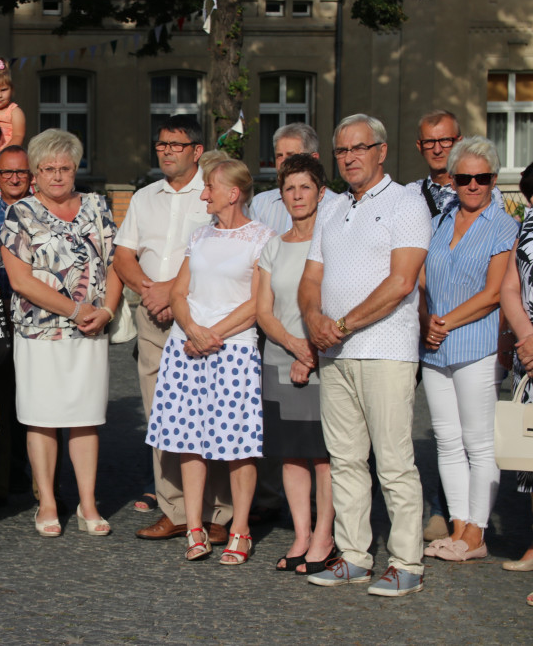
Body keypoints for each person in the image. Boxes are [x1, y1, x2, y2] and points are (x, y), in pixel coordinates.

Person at [301, 114, 431, 597]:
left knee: (394, 461)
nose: (351, 157)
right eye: (342, 150)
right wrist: (314, 319)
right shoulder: (332, 208)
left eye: (360, 148)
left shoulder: (406, 202)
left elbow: (401, 282)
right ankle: (354, 554)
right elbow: (311, 278)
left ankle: (407, 562)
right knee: (346, 459)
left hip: (385, 349)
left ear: (381, 150)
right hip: (335, 353)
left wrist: (342, 324)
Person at [145, 158, 275, 564]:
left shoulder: (262, 239)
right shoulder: (200, 235)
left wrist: (213, 333)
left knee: (238, 445)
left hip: (233, 351)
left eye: (210, 188)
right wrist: (193, 330)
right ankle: (195, 527)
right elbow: (179, 292)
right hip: (187, 349)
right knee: (189, 441)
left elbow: (259, 302)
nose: (203, 194)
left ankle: (239, 530)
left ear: (232, 194)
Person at [0, 129, 121, 538]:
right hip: (40, 332)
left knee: (86, 418)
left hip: (90, 330)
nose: (56, 176)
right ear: (34, 172)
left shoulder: (97, 206)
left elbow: (115, 263)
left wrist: (105, 310)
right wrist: (74, 308)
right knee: (42, 418)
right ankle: (48, 502)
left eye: (64, 168)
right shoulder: (19, 213)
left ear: (75, 169)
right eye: (48, 168)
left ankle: (88, 503)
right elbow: (21, 280)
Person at [113, 114, 216, 539]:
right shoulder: (144, 197)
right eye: (161, 144)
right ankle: (173, 509)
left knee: (208, 414)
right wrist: (148, 290)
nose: (167, 151)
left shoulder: (212, 194)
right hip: (153, 318)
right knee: (162, 416)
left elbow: (222, 249)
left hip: (201, 319)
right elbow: (123, 255)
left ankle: (216, 512)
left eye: (176, 144)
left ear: (196, 150)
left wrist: (172, 291)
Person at [418, 136, 517, 563]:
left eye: (482, 178)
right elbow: (423, 279)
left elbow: (495, 292)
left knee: (478, 442)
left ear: (494, 180)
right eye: (464, 177)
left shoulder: (502, 224)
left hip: (475, 343)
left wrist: (445, 323)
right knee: (446, 440)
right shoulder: (441, 217)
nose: (473, 185)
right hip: (436, 347)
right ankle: (458, 525)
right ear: (453, 179)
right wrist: (428, 322)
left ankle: (477, 531)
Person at [256, 154, 336, 574]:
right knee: (290, 454)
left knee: (323, 454)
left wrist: (311, 352)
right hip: (278, 358)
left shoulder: (333, 240)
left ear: (320, 192)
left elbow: (339, 303)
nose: (297, 196)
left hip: (324, 360)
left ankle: (325, 534)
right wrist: (292, 345)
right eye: (289, 188)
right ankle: (301, 534)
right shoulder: (273, 245)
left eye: (305, 187)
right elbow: (264, 310)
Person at [0, 145, 33, 503]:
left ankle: (38, 481)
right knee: (0, 396)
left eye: (21, 172)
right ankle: (1, 480)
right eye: (8, 172)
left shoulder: (42, 214)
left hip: (37, 311)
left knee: (36, 397)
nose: (14, 178)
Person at [501, 160, 533, 606]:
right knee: (531, 456)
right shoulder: (526, 229)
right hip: (531, 352)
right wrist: (526, 337)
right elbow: (511, 287)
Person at [249, 123, 332, 234]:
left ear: (314, 159)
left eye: (290, 155)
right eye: (279, 156)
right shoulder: (260, 204)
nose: (283, 162)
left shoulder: (334, 205)